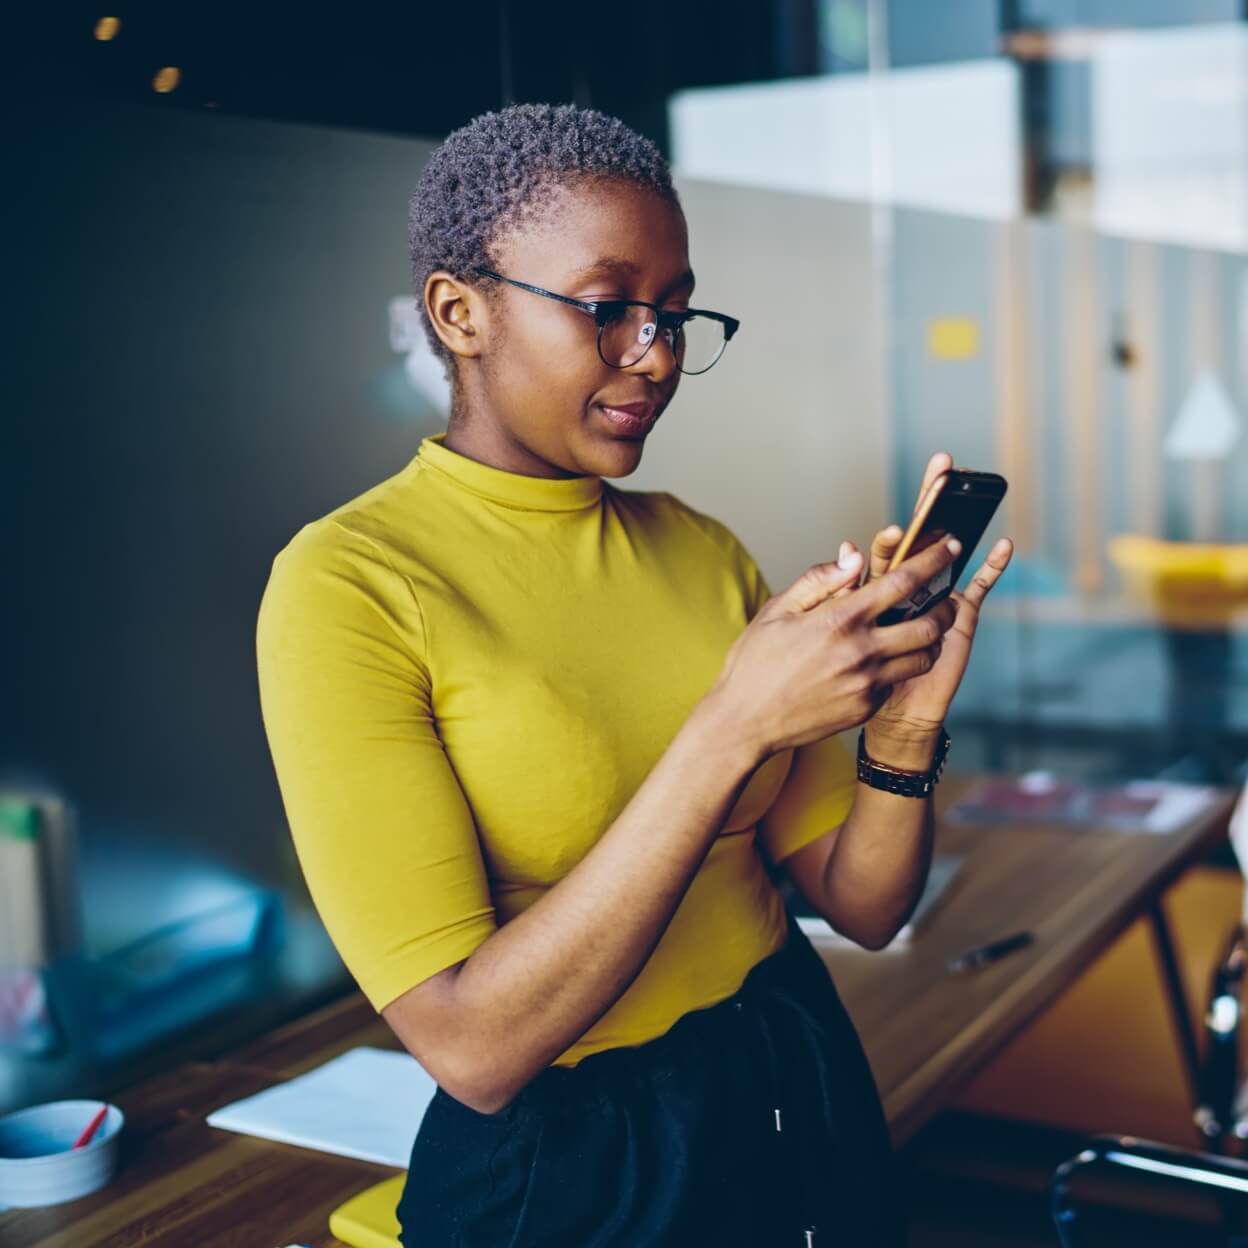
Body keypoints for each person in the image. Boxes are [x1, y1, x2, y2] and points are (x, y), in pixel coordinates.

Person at [255, 102, 1013, 1248]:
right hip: (574, 1159)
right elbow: (474, 1052)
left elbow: (863, 906)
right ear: (461, 312)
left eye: (673, 312)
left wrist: (902, 738)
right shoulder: (350, 585)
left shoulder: (698, 547)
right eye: (609, 309)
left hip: (784, 1072)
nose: (654, 354)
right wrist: (732, 727)